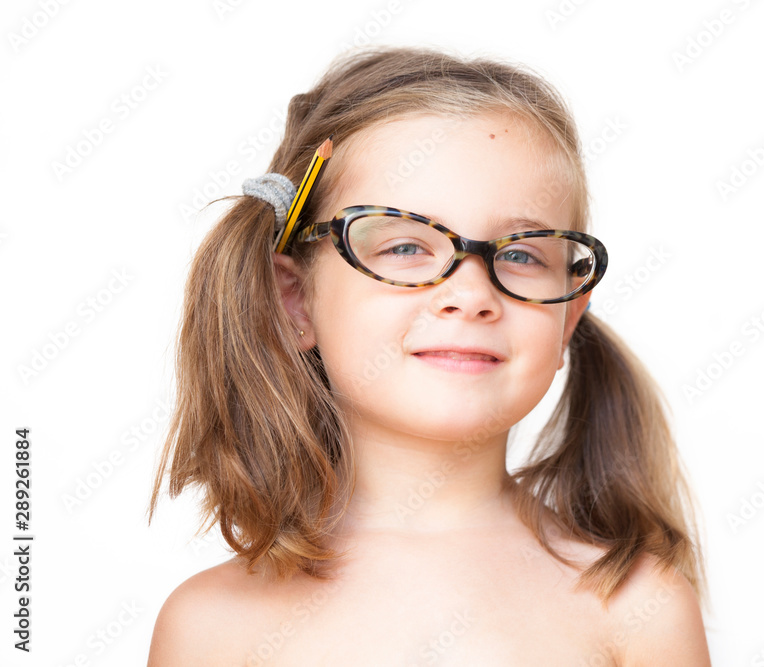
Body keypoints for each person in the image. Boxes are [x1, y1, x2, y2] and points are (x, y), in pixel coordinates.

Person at [146, 45, 711, 666]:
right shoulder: (210, 627)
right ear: (295, 301)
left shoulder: (638, 609)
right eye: (405, 246)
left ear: (567, 318)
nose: (471, 296)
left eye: (520, 254)